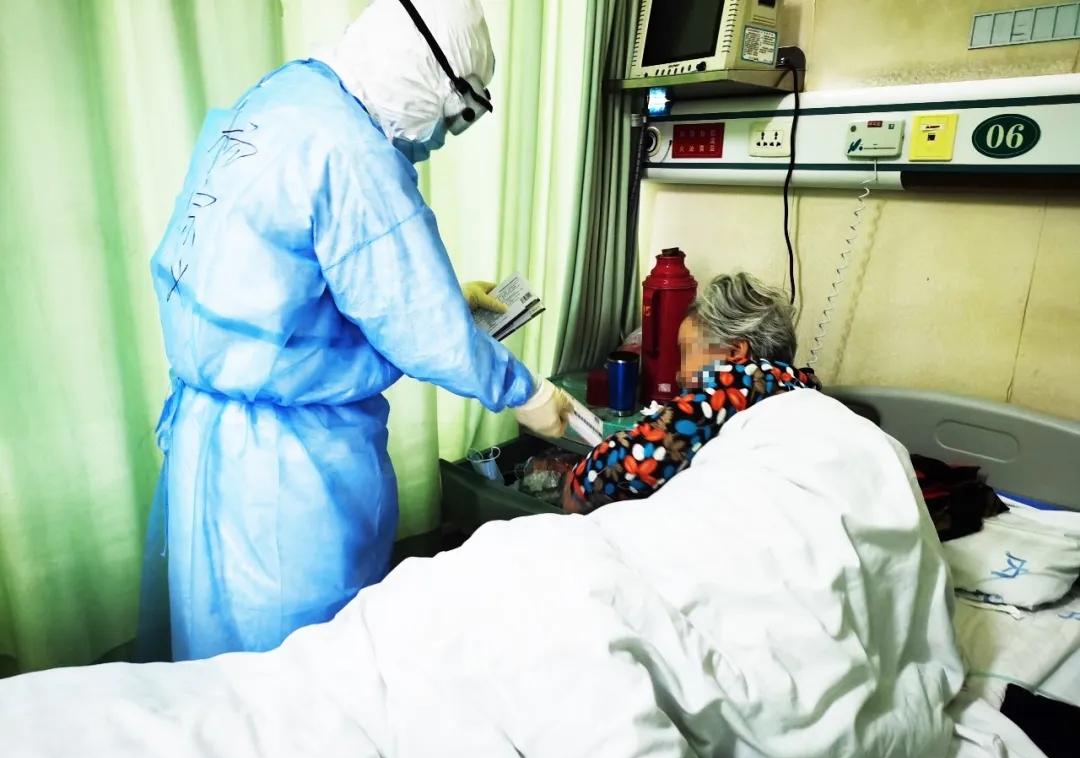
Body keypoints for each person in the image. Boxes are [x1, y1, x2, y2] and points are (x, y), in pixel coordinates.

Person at [137, 0, 573, 662]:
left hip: (211, 440)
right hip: (288, 468)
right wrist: (525, 391)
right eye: (456, 114)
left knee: (220, 656)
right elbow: (420, 324)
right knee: (304, 663)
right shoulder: (352, 150)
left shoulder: (287, 98)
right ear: (426, 76)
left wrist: (445, 300)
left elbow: (286, 277)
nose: (442, 136)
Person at [564, 272, 820, 514]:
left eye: (686, 353)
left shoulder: (746, 378)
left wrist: (578, 484)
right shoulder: (799, 385)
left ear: (734, 352)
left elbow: (641, 456)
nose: (679, 375)